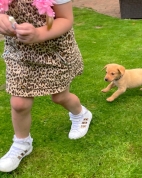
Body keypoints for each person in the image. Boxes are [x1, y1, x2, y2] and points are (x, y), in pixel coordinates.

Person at [0, 0, 92, 172]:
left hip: (54, 52)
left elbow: (66, 18)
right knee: (19, 103)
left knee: (59, 97)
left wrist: (38, 34)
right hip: (20, 52)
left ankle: (81, 115)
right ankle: (22, 143)